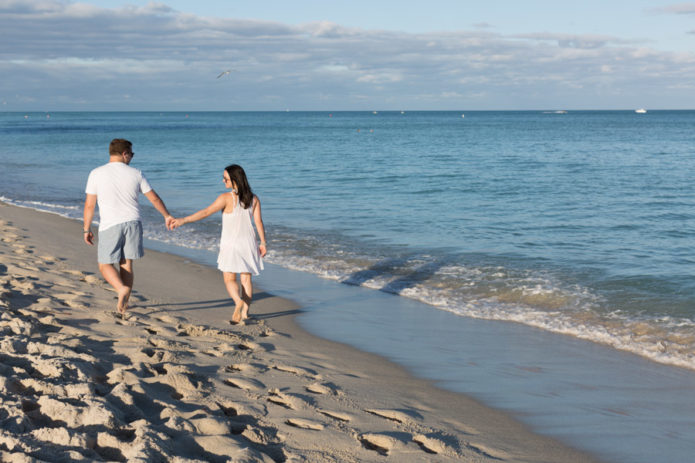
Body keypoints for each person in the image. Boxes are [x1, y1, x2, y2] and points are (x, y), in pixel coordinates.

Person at [83, 138, 174, 316]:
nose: (132, 157)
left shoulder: (96, 173)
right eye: (131, 154)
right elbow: (154, 198)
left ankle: (120, 289)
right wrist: (167, 215)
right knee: (126, 264)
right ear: (124, 154)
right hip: (133, 222)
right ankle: (124, 305)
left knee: (104, 265)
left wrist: (86, 229)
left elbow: (89, 205)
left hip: (111, 224)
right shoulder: (136, 173)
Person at [171, 164, 266, 324]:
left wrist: (184, 220)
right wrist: (263, 242)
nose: (223, 181)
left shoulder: (225, 198)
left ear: (234, 179)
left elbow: (206, 212)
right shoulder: (254, 198)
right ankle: (245, 314)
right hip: (248, 242)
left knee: (229, 279)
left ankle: (238, 302)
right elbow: (258, 222)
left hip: (230, 243)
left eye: (225, 178)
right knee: (246, 280)